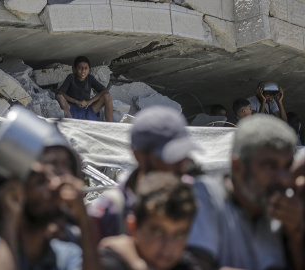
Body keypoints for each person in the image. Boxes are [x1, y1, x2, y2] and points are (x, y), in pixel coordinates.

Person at [187, 114, 304, 270]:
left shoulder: (285, 208)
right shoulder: (207, 195)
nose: (283, 178)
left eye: (287, 166)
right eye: (270, 166)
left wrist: (295, 234)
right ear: (238, 167)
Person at [0, 130, 100, 270]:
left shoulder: (65, 254)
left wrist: (83, 219)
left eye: (67, 165)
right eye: (41, 182)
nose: (55, 184)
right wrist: (10, 219)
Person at [87, 106, 199, 240]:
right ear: (138, 155)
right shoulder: (109, 212)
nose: (181, 166)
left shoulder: (199, 196)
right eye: (171, 157)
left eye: (183, 155)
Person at [99, 172, 199, 270]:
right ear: (132, 226)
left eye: (179, 234)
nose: (168, 246)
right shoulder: (110, 262)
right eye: (158, 232)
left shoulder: (185, 265)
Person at [56, 56, 113, 122]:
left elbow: (105, 91)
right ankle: (70, 122)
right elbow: (60, 93)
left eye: (86, 68)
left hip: (88, 109)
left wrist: (90, 101)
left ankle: (110, 123)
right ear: (75, 69)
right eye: (80, 68)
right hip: (72, 109)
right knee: (59, 97)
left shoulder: (90, 78)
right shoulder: (71, 77)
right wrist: (77, 102)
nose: (83, 71)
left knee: (107, 96)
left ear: (89, 69)